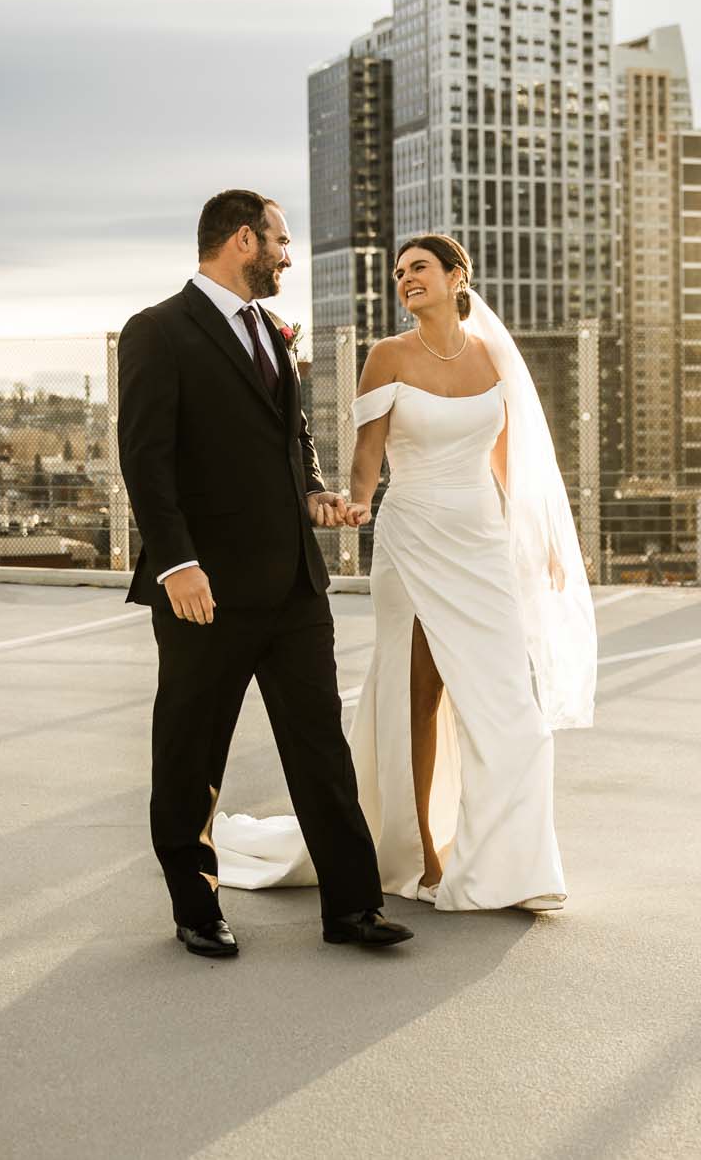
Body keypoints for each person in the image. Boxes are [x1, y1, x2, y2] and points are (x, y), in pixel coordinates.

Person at [212, 232, 595, 911]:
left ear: (456, 276)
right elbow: (368, 453)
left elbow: (508, 461)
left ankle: (515, 864)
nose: (404, 278)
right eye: (398, 271)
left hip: (480, 544)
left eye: (418, 268)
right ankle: (420, 856)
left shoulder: (493, 357)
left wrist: (538, 540)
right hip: (412, 539)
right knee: (415, 701)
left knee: (513, 711)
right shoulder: (387, 355)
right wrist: (355, 504)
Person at [117, 188, 413, 958]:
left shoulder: (269, 331)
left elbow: (293, 434)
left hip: (292, 586)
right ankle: (196, 907)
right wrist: (177, 563)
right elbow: (145, 460)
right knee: (191, 753)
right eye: (280, 241)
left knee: (321, 747)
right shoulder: (157, 331)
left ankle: (353, 908)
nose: (288, 256)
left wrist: (314, 490)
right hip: (203, 589)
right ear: (243, 239)